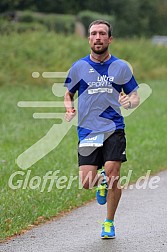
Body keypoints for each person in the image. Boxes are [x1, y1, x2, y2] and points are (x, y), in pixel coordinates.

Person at [64, 20, 140, 239]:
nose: (97, 37)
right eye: (94, 34)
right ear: (89, 39)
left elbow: (134, 94)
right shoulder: (78, 67)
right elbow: (68, 93)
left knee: (112, 171)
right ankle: (102, 183)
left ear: (109, 39)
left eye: (102, 34)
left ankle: (108, 223)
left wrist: (129, 103)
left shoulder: (121, 67)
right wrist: (69, 109)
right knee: (87, 181)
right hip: (87, 129)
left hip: (113, 128)